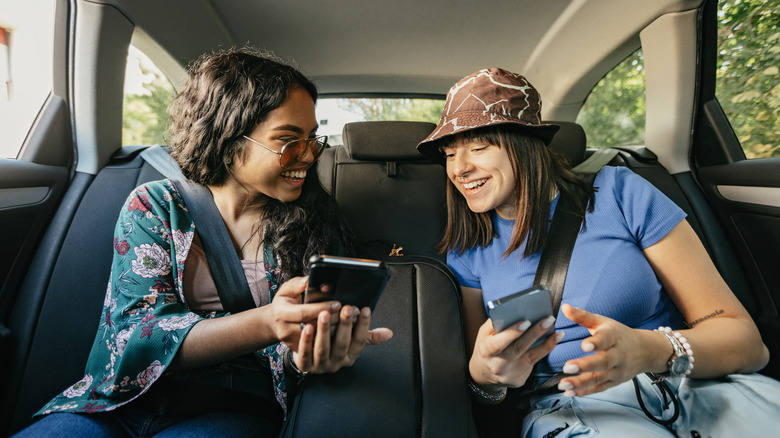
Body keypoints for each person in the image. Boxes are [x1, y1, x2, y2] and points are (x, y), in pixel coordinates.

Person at [16, 47, 392, 437]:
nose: (309, 155)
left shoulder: (317, 226)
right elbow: (138, 333)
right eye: (288, 140)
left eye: (313, 138)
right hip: (118, 404)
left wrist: (305, 354)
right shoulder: (156, 206)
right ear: (229, 135)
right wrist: (267, 321)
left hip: (231, 410)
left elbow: (291, 351)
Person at [416, 67, 780, 437]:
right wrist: (486, 376)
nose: (460, 168)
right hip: (576, 407)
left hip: (695, 385)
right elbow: (483, 387)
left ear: (526, 144)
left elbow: (748, 344)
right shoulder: (468, 251)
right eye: (449, 154)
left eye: (479, 147)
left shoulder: (620, 193)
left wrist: (649, 349)